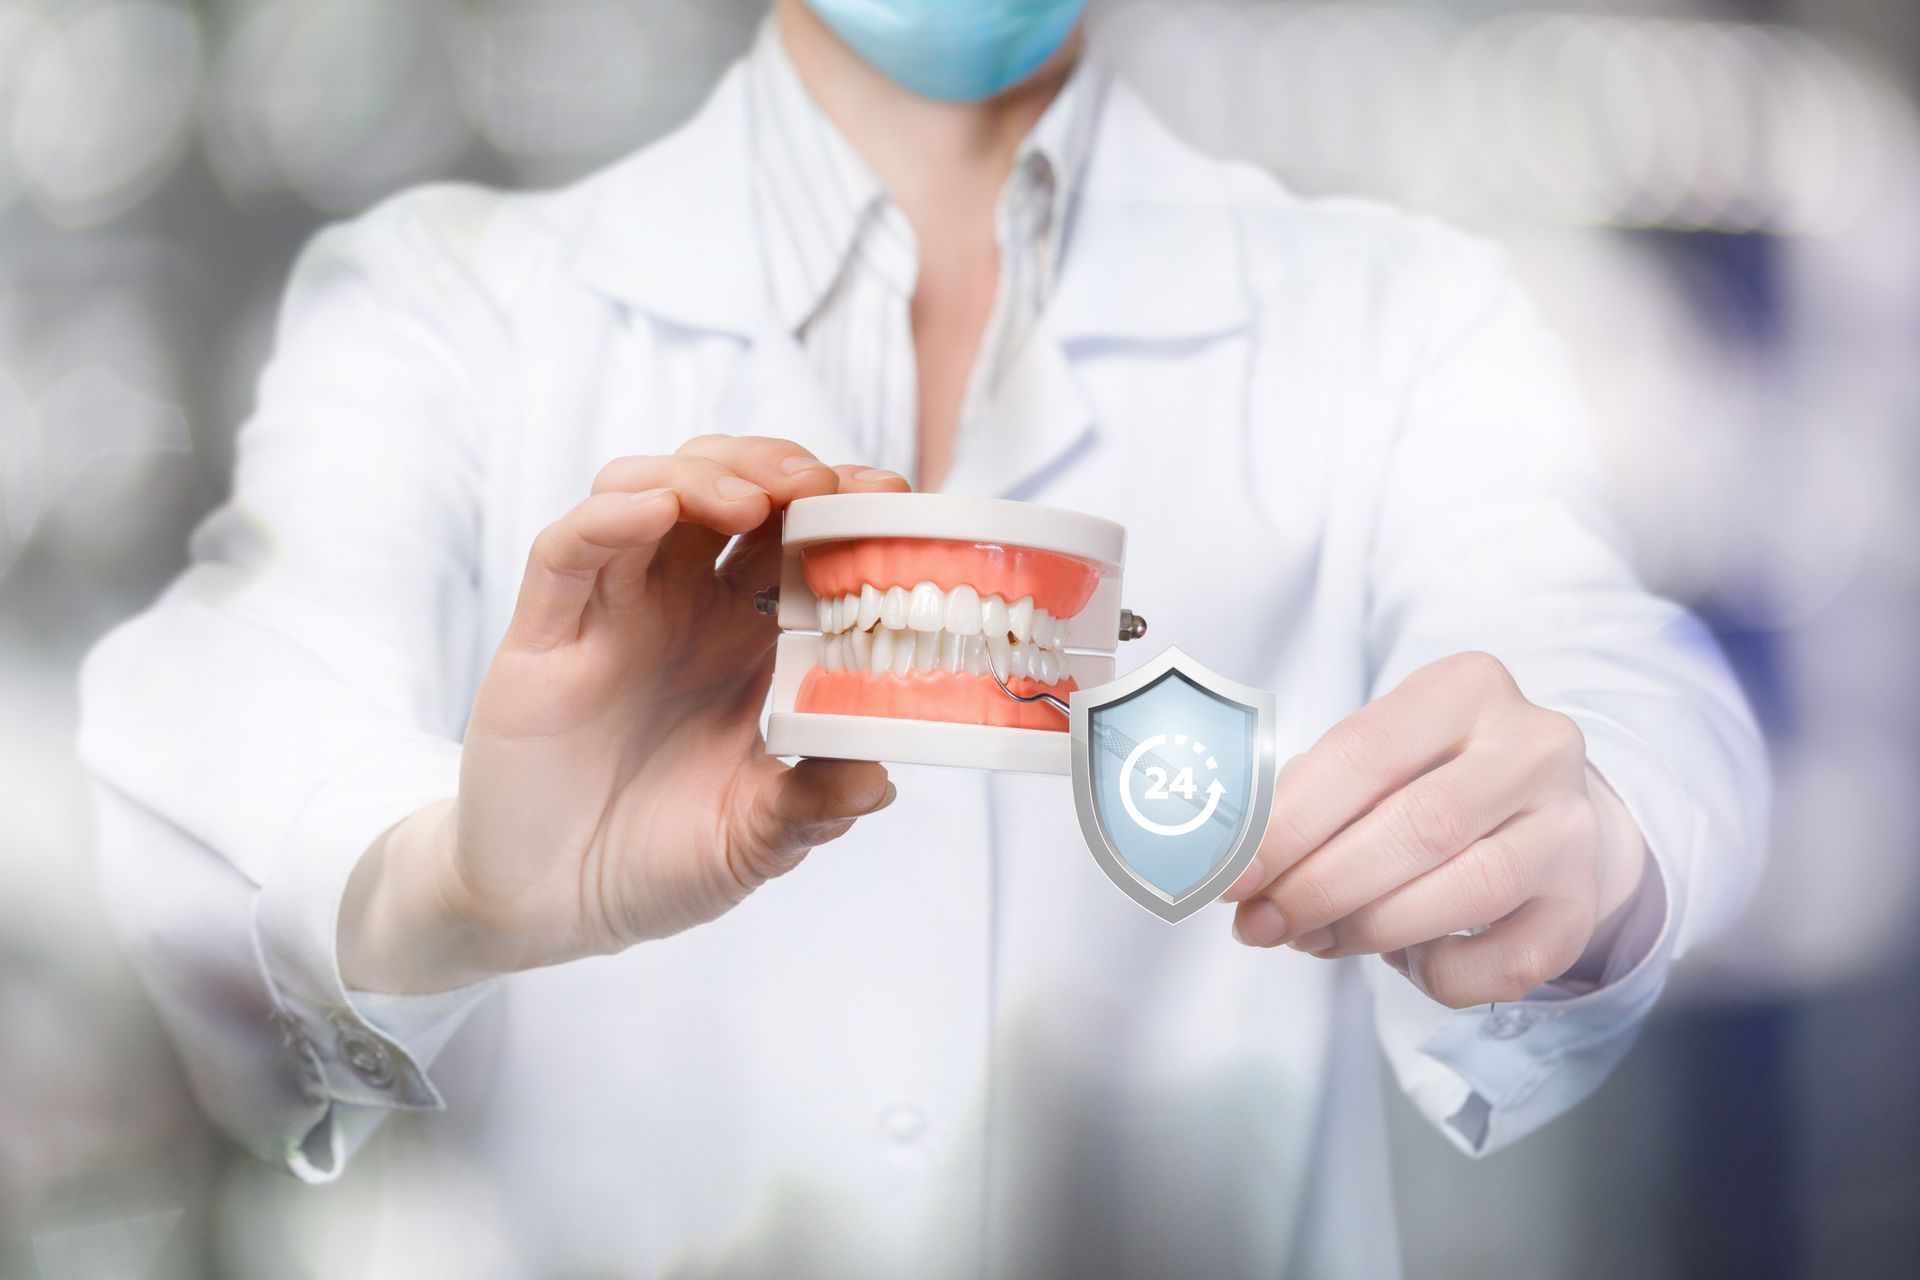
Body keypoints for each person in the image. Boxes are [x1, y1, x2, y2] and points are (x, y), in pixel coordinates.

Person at [78, 0, 1766, 1274]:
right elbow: (216, 719)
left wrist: (1594, 842)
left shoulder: (1398, 313)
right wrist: (449, 878)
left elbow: (1625, 681)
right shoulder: (448, 307)